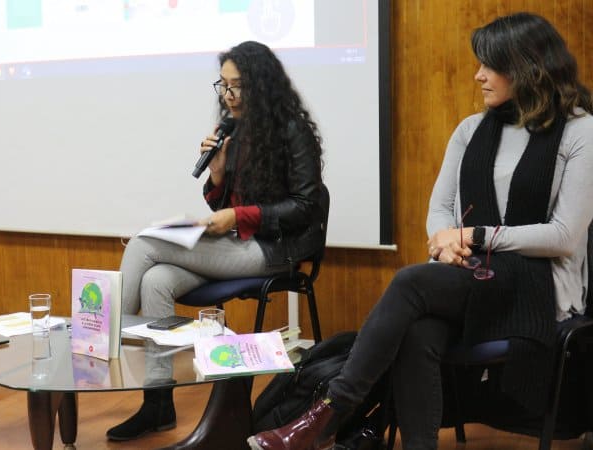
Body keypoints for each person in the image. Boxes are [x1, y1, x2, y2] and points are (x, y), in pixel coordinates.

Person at [247, 12, 593, 450]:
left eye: (490, 65)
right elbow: (439, 210)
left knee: (411, 281)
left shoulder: (580, 131)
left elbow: (563, 235)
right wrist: (446, 241)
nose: (478, 75)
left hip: (540, 285)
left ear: (527, 67)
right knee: (418, 330)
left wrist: (475, 237)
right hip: (476, 275)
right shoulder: (471, 130)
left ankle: (330, 412)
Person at [107, 41, 329, 442]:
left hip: (276, 251)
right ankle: (158, 403)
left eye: (237, 86)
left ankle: (106, 346)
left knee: (141, 244)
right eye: (223, 85)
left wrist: (238, 215)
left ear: (261, 87)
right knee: (156, 281)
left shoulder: (292, 130)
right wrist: (219, 178)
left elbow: (306, 206)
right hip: (239, 243)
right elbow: (226, 204)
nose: (228, 96)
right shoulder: (237, 131)